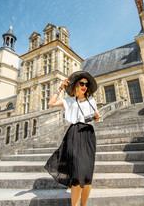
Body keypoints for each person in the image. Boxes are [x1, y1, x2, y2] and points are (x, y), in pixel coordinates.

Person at [44, 71, 101, 206]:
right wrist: (60, 88)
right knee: (77, 175)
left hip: (88, 135)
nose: (84, 86)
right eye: (82, 83)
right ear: (76, 85)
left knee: (87, 176)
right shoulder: (69, 101)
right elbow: (51, 103)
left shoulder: (91, 100)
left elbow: (95, 118)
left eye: (86, 84)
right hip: (74, 134)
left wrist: (97, 117)